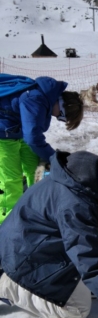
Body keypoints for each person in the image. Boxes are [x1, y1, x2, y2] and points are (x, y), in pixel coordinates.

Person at [0, 145, 98, 318]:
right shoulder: (75, 202)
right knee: (77, 310)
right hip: (21, 258)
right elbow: (88, 257)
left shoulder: (85, 175)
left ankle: (83, 285)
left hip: (37, 242)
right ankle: (8, 288)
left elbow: (85, 239)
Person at [0, 75, 84, 224]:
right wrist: (53, 157)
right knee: (10, 180)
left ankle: (34, 207)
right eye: (62, 117)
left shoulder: (45, 97)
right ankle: (7, 222)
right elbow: (33, 138)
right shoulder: (36, 98)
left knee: (34, 170)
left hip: (16, 131)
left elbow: (32, 134)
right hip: (2, 134)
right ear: (63, 105)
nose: (58, 118)